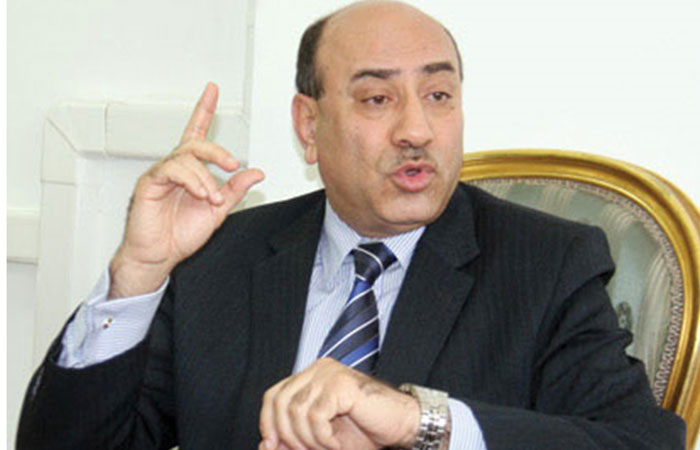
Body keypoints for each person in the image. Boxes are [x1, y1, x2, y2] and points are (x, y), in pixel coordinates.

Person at [17, 1, 685, 449]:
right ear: (309, 126)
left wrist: (418, 421)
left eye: (439, 95)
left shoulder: (546, 264)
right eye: (376, 98)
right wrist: (137, 275)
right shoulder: (222, 259)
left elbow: (637, 443)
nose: (416, 129)